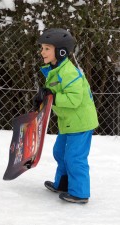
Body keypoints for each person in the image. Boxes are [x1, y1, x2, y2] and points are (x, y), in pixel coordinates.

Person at [33, 28, 99, 204]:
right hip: (68, 122)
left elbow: (74, 99)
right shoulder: (55, 70)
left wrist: (51, 98)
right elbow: (54, 93)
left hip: (81, 122)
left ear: (61, 51)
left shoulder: (68, 72)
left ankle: (80, 193)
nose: (42, 52)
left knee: (75, 157)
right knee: (60, 152)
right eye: (42, 48)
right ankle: (63, 184)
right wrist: (43, 98)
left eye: (47, 48)